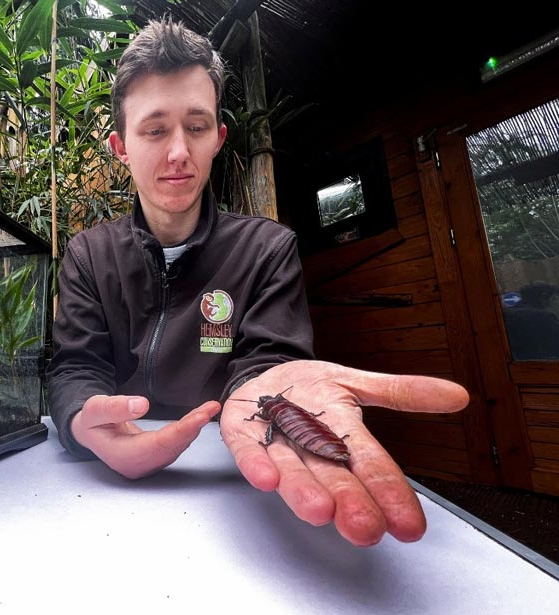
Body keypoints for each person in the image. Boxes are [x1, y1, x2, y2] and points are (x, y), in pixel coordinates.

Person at [46, 19, 469, 547]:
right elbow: (75, 367)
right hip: (97, 499)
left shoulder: (267, 249)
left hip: (235, 480)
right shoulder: (88, 254)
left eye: (196, 127)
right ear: (121, 147)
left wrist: (265, 389)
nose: (178, 151)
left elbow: (268, 362)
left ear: (220, 137)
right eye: (154, 130)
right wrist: (81, 417)